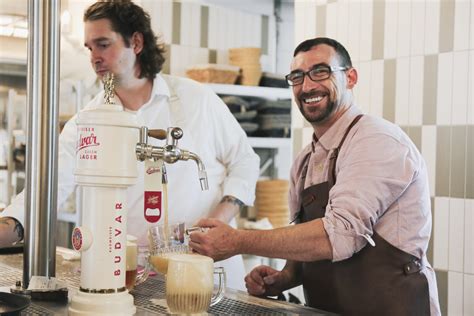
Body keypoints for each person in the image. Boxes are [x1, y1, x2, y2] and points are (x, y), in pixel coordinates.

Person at [0, 0, 259, 291]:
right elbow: (47, 188)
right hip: (130, 275)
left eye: (103, 44)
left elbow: (245, 161)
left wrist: (219, 219)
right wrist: (10, 224)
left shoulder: (196, 99)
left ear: (135, 42)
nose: (94, 57)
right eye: (89, 48)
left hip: (204, 270)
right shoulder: (87, 121)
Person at [189, 37, 441, 315]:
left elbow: (340, 235)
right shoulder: (305, 161)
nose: (307, 86)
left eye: (320, 72)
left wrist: (237, 241)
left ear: (351, 77)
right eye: (297, 77)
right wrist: (284, 277)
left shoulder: (376, 140)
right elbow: (309, 247)